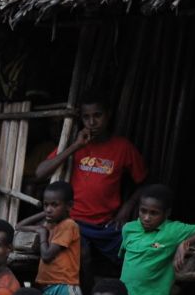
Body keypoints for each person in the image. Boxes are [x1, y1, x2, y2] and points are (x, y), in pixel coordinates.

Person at [34, 100, 147, 277]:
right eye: (86, 117)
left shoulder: (122, 147)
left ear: (108, 115)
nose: (92, 122)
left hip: (106, 225)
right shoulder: (74, 145)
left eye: (97, 116)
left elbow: (144, 182)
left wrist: (127, 208)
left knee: (131, 254)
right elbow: (40, 173)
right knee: (82, 253)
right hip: (73, 221)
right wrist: (76, 146)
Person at [22, 180, 82, 295]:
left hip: (64, 288)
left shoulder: (69, 225)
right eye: (46, 205)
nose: (49, 209)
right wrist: (45, 216)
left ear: (69, 206)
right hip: (46, 287)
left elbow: (47, 255)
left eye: (54, 205)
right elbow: (19, 226)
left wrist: (42, 233)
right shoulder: (50, 223)